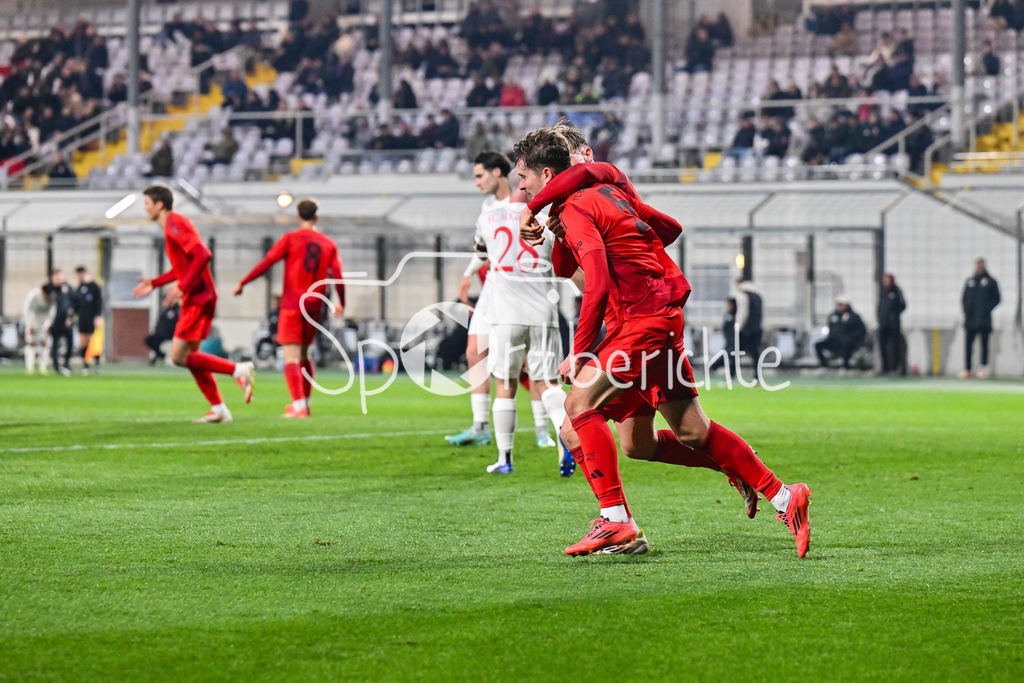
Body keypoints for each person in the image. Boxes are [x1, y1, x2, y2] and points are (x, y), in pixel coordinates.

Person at [516, 127, 811, 558]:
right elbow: (655, 234)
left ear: (553, 170)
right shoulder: (604, 197)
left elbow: (593, 282)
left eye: (523, 178)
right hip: (652, 318)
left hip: (641, 321)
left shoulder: (586, 194)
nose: (520, 187)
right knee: (654, 440)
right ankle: (783, 496)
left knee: (576, 411)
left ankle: (617, 522)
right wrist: (558, 227)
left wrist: (580, 349)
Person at [468, 151, 571, 476]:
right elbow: (564, 260)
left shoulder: (488, 218)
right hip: (543, 311)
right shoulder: (548, 220)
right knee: (548, 384)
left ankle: (505, 459)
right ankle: (564, 436)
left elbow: (481, 254)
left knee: (506, 385)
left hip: (506, 314)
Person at [132, 185, 255, 423]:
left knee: (178, 357)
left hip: (198, 297)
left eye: (147, 203)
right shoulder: (171, 225)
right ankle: (219, 409)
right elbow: (184, 266)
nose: (144, 207)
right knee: (192, 357)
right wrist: (156, 282)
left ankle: (238, 370)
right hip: (199, 295)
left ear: (159, 205)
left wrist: (183, 286)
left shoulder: (175, 222)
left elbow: (203, 254)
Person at [234, 198, 345, 418]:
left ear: (298, 216)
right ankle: (305, 403)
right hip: (315, 305)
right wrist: (342, 302)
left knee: (291, 356)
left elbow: (267, 262)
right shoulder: (327, 243)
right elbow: (338, 276)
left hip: (293, 303)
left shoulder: (291, 239)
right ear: (316, 217)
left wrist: (243, 283)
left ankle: (299, 405)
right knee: (304, 354)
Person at [961, 257, 1001, 378]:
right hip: (970, 320)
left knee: (984, 345)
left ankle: (983, 367)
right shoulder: (969, 281)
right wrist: (966, 311)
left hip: (984, 320)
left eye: (981, 265)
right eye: (977, 265)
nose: (979, 267)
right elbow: (964, 298)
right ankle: (967, 369)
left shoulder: (991, 282)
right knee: (968, 345)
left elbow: (997, 299)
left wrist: (986, 309)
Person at [815, 298, 867, 370]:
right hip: (833, 341)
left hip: (847, 342)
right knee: (818, 345)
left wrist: (853, 338)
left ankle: (845, 366)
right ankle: (824, 365)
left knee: (847, 343)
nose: (839, 307)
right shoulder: (833, 316)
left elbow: (861, 330)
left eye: (841, 305)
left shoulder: (853, 317)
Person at [72, 265, 103, 374]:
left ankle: (97, 363)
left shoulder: (94, 287)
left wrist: (98, 316)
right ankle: (86, 365)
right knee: (83, 342)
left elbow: (99, 302)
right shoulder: (79, 288)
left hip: (93, 318)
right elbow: (75, 304)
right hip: (82, 319)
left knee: (94, 341)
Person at [22, 282, 55, 374]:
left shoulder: (51, 297)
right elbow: (26, 310)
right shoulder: (33, 295)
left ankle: (43, 367)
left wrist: (48, 324)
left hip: (43, 323)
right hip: (32, 322)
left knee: (45, 344)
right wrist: (29, 325)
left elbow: (52, 312)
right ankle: (30, 368)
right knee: (30, 343)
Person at [877, 273, 906, 375]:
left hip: (893, 325)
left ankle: (895, 368)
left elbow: (903, 305)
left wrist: (894, 315)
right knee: (883, 347)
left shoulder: (897, 291)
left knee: (895, 347)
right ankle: (885, 368)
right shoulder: (882, 292)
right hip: (883, 324)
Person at [48, 268, 75, 376]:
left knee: (70, 343)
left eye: (61, 276)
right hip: (55, 322)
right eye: (57, 276)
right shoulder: (50, 289)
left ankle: (66, 364)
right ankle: (56, 366)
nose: (60, 279)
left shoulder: (68, 288)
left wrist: (71, 317)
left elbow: (73, 303)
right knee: (55, 345)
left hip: (67, 321)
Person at [734, 278, 763, 368]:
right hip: (756, 329)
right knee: (755, 354)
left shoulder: (743, 295)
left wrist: (737, 327)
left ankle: (730, 375)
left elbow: (742, 313)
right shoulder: (758, 296)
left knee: (736, 353)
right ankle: (757, 376)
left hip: (745, 330)